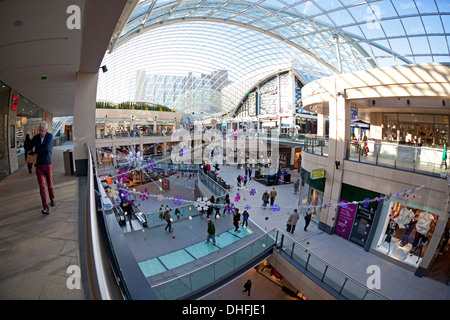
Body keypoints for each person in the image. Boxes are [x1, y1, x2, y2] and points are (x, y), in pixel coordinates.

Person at [29, 121, 55, 215]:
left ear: (46, 130)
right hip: (39, 165)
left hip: (47, 164)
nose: (40, 132)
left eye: (42, 131)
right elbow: (29, 145)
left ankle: (52, 198)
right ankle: (45, 206)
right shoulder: (36, 137)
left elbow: (47, 149)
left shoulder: (49, 136)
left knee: (50, 183)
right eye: (39, 130)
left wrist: (37, 153)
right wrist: (29, 152)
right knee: (42, 186)